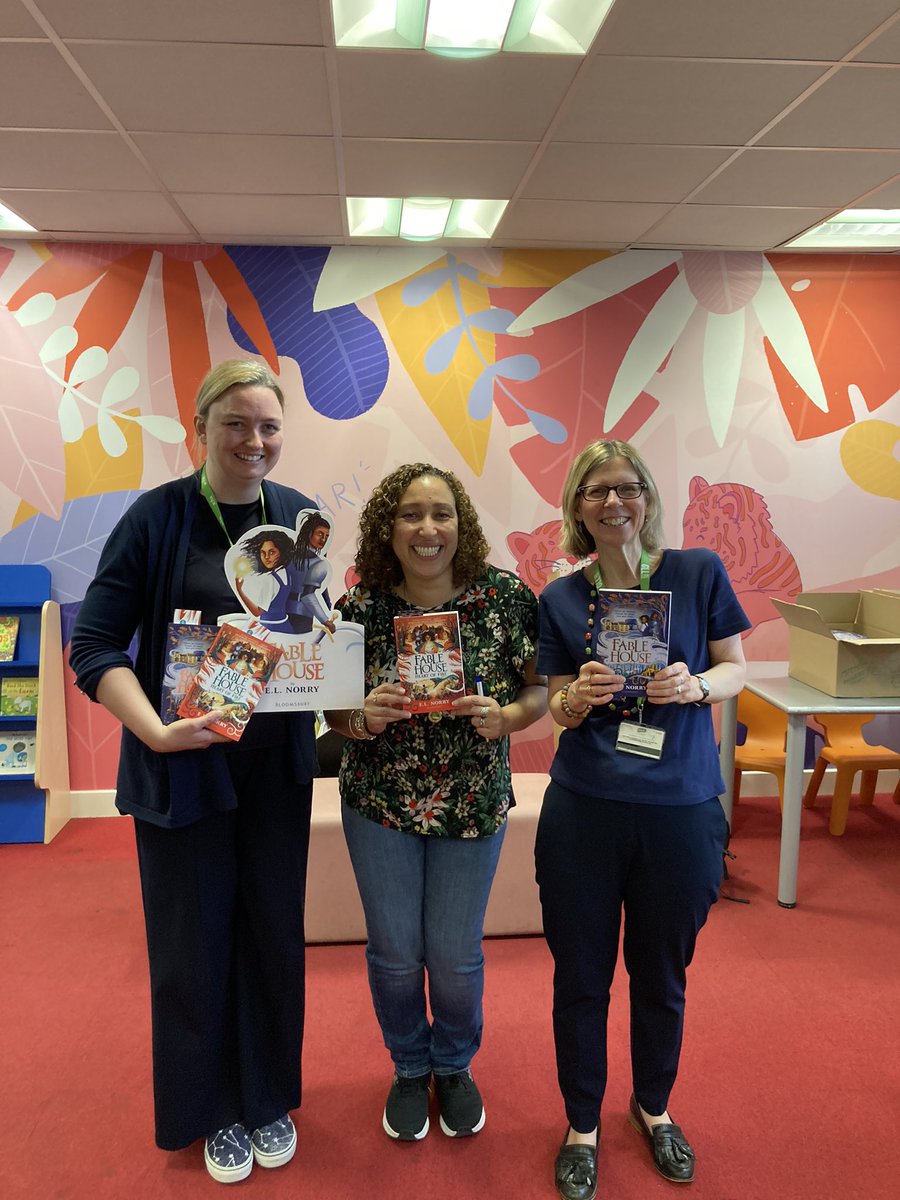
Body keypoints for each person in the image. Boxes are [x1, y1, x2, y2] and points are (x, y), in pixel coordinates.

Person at [69, 360, 318, 1184]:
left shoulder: (296, 516)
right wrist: (155, 731)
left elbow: (311, 630)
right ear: (200, 431)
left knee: (273, 933)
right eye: (237, 425)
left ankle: (267, 1094)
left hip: (274, 770)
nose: (255, 441)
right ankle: (210, 1108)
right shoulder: (155, 518)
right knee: (192, 942)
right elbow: (95, 645)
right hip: (182, 768)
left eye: (269, 427)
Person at [535, 439, 749, 1200]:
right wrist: (578, 698)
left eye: (625, 488)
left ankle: (653, 1108)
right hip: (584, 811)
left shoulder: (696, 572)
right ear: (576, 508)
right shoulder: (562, 598)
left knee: (662, 974)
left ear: (647, 497)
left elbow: (734, 667)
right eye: (594, 491)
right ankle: (582, 1125)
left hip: (680, 810)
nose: (612, 502)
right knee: (582, 976)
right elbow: (554, 708)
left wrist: (695, 686)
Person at [325, 463, 547, 1144]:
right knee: (394, 953)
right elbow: (332, 713)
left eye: (441, 513)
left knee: (454, 956)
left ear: (462, 524)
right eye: (410, 514)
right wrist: (363, 715)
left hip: (472, 802)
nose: (427, 529)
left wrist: (508, 717)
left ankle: (452, 1065)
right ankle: (407, 1066)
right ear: (386, 529)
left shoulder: (507, 598)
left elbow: (539, 690)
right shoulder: (358, 609)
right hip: (379, 802)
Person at [235, 514, 336, 635]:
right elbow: (307, 596)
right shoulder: (291, 558)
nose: (323, 539)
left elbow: (307, 595)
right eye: (320, 534)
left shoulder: (309, 562)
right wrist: (325, 620)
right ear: (309, 533)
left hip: (288, 616)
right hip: (288, 617)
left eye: (326, 536)